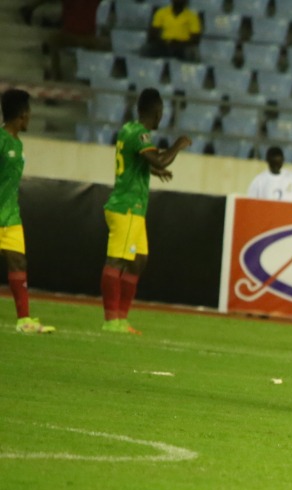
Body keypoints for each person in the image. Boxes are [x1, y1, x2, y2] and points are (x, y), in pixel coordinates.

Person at [101, 88, 191, 334]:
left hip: (134, 208)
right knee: (117, 260)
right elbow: (160, 159)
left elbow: (139, 161)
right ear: (158, 112)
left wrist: (153, 171)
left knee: (139, 260)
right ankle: (112, 320)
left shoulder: (128, 129)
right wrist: (178, 145)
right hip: (127, 206)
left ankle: (121, 318)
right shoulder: (140, 134)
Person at [1, 90, 55, 334]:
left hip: (11, 214)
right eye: (29, 112)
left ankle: (24, 320)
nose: (31, 117)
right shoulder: (1, 141)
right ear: (21, 115)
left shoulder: (17, 144)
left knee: (18, 261)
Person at [44, 0, 109, 81]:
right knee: (53, 39)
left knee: (105, 44)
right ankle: (56, 74)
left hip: (86, 37)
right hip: (74, 35)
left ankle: (93, 73)